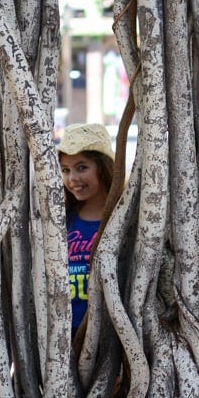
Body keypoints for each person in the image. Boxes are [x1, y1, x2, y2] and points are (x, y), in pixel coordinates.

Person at [58, 123, 114, 334]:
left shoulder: (120, 219)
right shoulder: (61, 220)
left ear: (102, 167)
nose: (73, 179)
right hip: (64, 331)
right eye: (66, 170)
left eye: (82, 167)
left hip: (106, 332)